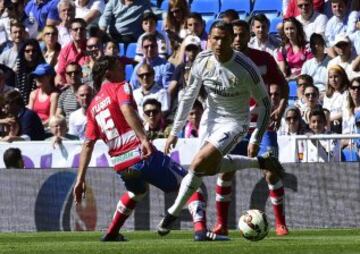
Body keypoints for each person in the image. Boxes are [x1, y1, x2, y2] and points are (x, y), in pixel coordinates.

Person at [73, 55, 228, 242]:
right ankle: (201, 231)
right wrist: (143, 138)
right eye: (119, 67)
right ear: (108, 73)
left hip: (122, 165)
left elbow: (88, 144)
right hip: (140, 154)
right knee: (190, 184)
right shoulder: (120, 86)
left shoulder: (93, 107)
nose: (124, 71)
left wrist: (80, 179)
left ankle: (112, 232)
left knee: (136, 192)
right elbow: (126, 110)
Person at [157, 21, 284, 236]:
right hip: (210, 118)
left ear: (231, 40)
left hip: (236, 122)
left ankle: (172, 213)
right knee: (207, 168)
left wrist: (255, 137)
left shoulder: (246, 68)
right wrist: (174, 130)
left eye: (223, 38)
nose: (218, 43)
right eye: (214, 38)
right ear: (209, 39)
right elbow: (188, 96)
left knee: (197, 163)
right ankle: (259, 162)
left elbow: (265, 104)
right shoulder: (202, 61)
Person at [211, 20, 289, 237]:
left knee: (271, 171)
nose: (237, 39)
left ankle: (281, 224)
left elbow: (283, 85)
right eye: (234, 35)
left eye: (242, 34)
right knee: (226, 172)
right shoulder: (219, 62)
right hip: (234, 126)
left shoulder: (263, 58)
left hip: (262, 125)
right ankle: (221, 224)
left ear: (249, 36)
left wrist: (280, 110)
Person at [15, 39, 46, 105]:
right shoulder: (19, 71)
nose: (31, 53)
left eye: (33, 51)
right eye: (27, 51)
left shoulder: (43, 70)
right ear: (23, 52)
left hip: (39, 104)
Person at [323, 64, 350, 133]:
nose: (333, 80)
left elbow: (346, 112)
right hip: (328, 125)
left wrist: (329, 119)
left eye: (336, 76)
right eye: (330, 77)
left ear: (342, 77)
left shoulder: (346, 93)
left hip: (342, 125)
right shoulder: (327, 95)